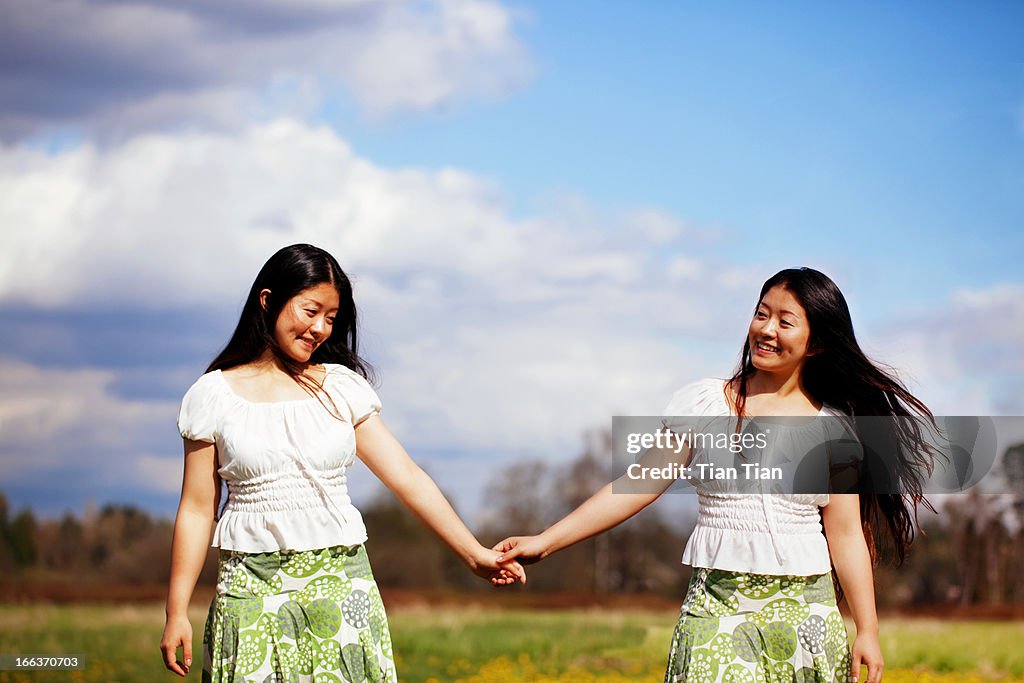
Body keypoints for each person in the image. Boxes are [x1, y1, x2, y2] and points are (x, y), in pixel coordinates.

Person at [494, 267, 935, 683]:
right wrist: (545, 542)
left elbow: (845, 535)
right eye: (761, 313)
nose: (766, 329)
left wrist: (868, 628)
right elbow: (636, 486)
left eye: (785, 321)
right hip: (717, 610)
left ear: (816, 342)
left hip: (808, 620)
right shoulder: (706, 406)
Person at [160, 244, 523, 682]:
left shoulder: (342, 389)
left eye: (331, 318)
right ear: (268, 300)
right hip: (249, 591)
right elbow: (198, 509)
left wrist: (474, 554)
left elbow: (407, 477)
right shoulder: (212, 396)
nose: (319, 329)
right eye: (311, 310)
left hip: (343, 588)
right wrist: (177, 609)